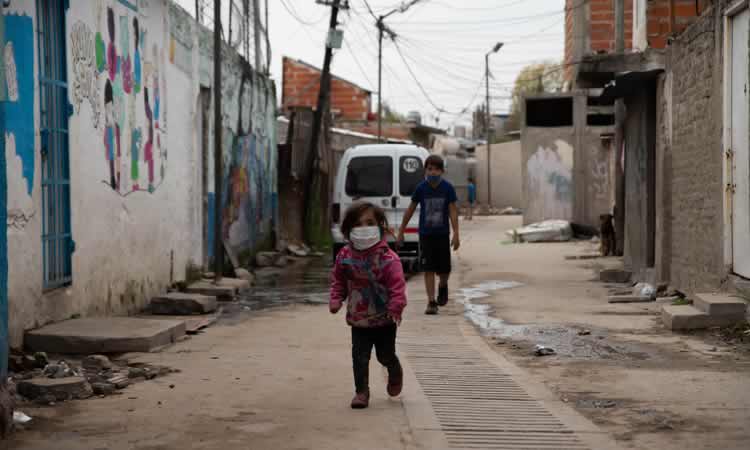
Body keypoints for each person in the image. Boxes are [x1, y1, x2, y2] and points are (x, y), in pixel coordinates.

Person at [330, 202, 407, 409]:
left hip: (385, 318)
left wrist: (396, 308)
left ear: (380, 226)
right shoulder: (344, 256)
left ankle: (394, 369)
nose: (364, 227)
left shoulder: (388, 258)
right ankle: (361, 392)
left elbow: (397, 286)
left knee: (384, 354)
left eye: (370, 223)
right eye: (358, 223)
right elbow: (338, 279)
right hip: (359, 319)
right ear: (348, 229)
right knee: (359, 357)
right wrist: (336, 298)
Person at [397, 155, 460, 315]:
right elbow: (410, 209)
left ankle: (443, 285)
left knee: (444, 270)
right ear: (425, 170)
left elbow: (453, 210)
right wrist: (401, 231)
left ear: (442, 171)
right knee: (428, 268)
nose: (433, 172)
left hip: (442, 234)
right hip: (426, 235)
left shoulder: (447, 188)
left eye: (436, 169)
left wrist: (456, 233)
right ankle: (431, 302)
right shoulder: (421, 188)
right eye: (430, 169)